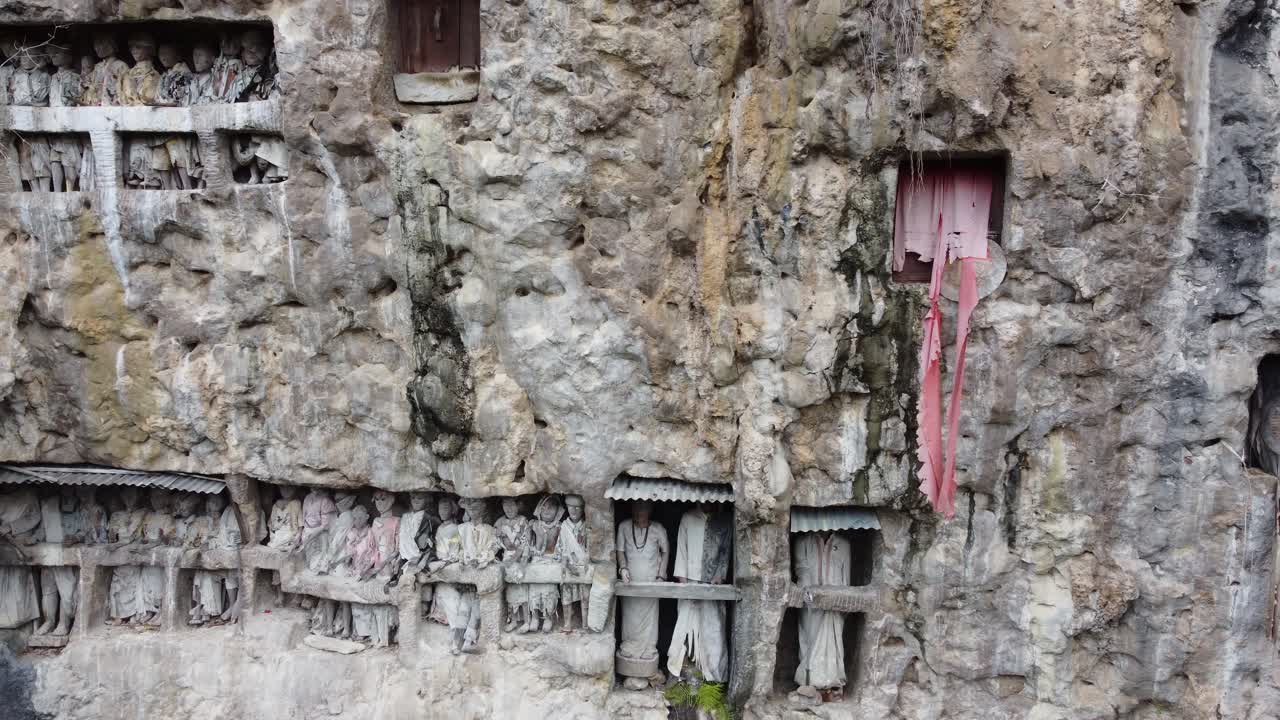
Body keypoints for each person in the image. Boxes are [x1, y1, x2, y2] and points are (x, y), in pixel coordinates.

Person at [667, 503, 731, 683]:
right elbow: (682, 549)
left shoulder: (724, 521)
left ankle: (713, 678)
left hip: (713, 584)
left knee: (713, 629)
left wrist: (720, 575)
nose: (708, 503)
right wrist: (684, 582)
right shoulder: (688, 518)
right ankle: (681, 673)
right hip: (689, 581)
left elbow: (725, 551)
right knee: (685, 626)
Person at [793, 529, 853, 701]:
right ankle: (809, 683)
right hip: (811, 604)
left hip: (835, 605)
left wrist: (842, 603)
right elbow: (801, 571)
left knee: (834, 643)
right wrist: (811, 593)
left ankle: (832, 686)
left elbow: (846, 577)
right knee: (810, 641)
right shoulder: (802, 542)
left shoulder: (844, 544)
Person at [615, 500, 668, 689]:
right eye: (636, 509)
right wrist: (623, 568)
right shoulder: (624, 527)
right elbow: (620, 551)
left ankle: (648, 651)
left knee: (650, 620)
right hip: (630, 584)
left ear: (650, 511)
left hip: (651, 583)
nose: (639, 513)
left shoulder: (658, 529)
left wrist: (661, 575)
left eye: (643, 509)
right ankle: (629, 649)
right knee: (630, 619)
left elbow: (666, 551)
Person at [556, 495, 589, 631]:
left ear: (582, 509)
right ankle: (567, 623)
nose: (573, 510)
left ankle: (585, 623)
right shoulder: (564, 526)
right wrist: (568, 565)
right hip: (568, 564)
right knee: (566, 595)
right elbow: (560, 548)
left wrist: (584, 561)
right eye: (571, 507)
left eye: (577, 507)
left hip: (583, 565)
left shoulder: (586, 525)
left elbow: (590, 548)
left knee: (585, 596)